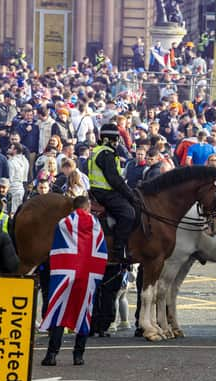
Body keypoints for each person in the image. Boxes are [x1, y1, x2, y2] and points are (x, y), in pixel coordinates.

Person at [40, 196, 107, 366]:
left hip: (66, 273)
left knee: (59, 312)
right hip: (87, 275)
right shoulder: (96, 223)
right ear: (88, 206)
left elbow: (57, 246)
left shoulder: (64, 223)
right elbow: (100, 248)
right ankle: (79, 356)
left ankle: (52, 355)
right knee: (84, 311)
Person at [88, 123, 136, 261]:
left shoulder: (99, 150)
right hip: (105, 193)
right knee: (128, 213)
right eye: (116, 139)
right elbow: (114, 179)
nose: (117, 142)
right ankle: (118, 248)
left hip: (100, 190)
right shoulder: (106, 153)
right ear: (108, 139)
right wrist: (130, 195)